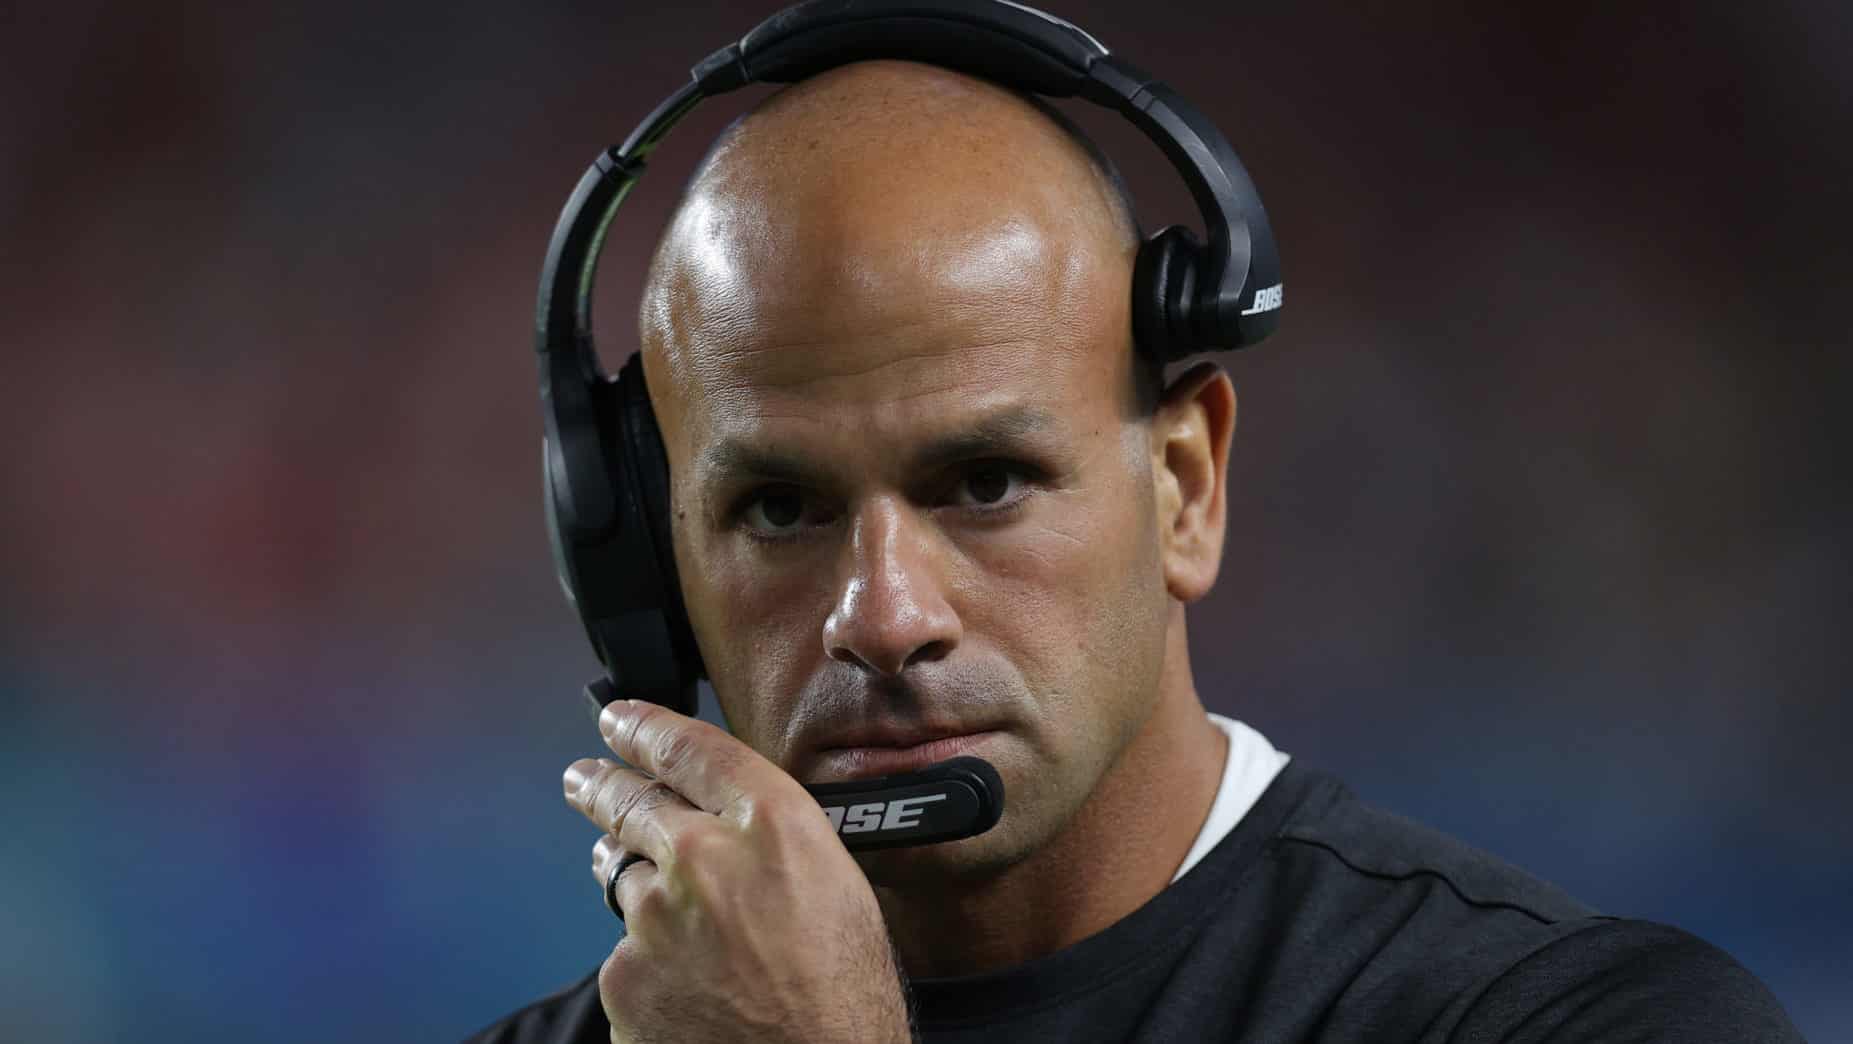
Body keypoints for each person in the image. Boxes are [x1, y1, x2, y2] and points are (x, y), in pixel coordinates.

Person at [467, 59, 1803, 1043]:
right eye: (777, 509)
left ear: (1185, 486)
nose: (883, 617)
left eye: (985, 484)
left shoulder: (1590, 1022)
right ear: (645, 566)